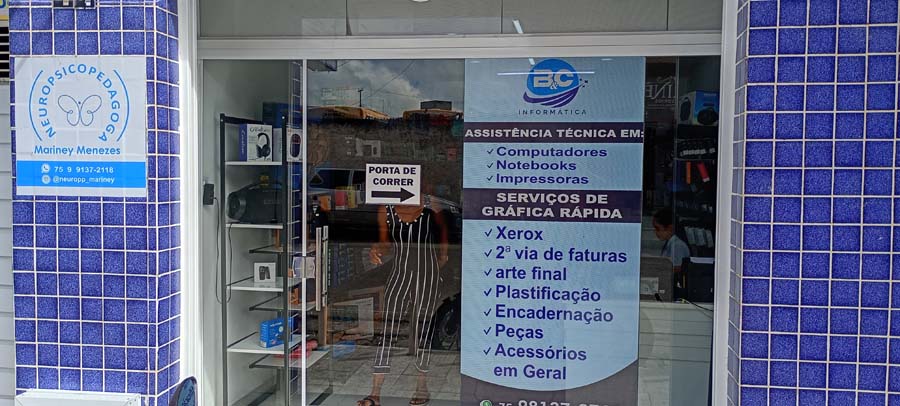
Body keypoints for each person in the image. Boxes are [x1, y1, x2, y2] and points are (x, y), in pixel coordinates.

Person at [358, 195, 449, 406]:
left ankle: (421, 386)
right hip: (400, 274)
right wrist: (376, 250)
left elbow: (443, 231)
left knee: (423, 328)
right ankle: (375, 392)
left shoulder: (430, 203)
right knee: (388, 329)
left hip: (428, 274)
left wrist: (444, 255)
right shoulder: (387, 208)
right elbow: (385, 243)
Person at [652, 208, 691, 274]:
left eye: (657, 228)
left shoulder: (677, 245)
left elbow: (677, 269)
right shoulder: (670, 243)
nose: (655, 232)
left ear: (670, 228)